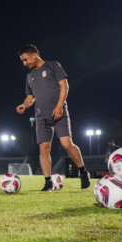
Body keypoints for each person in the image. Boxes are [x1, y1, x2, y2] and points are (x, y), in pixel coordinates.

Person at [15, 44, 90, 191]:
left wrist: (59, 106)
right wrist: (24, 105)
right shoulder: (29, 76)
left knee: (67, 144)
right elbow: (30, 97)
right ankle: (48, 182)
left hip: (59, 112)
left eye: (25, 60)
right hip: (40, 116)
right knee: (44, 148)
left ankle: (83, 172)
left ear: (34, 55)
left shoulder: (53, 66)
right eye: (22, 61)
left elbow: (65, 86)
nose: (24, 64)